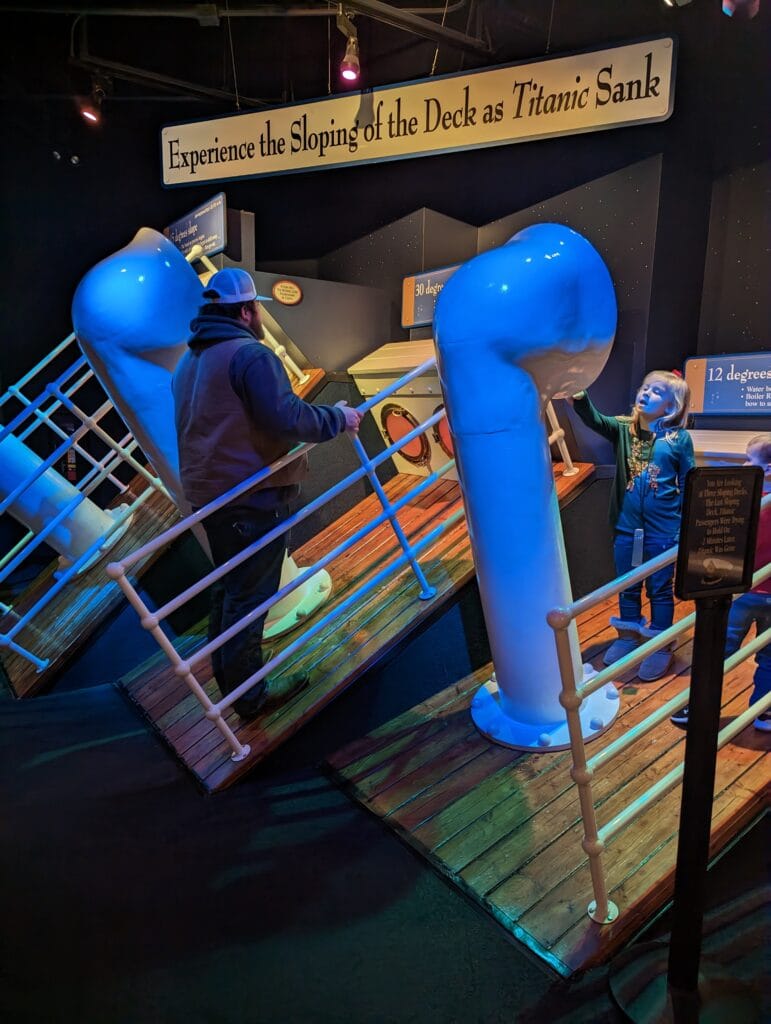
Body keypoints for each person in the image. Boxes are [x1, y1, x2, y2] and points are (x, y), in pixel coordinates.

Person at [172, 267, 362, 720]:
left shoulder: (188, 363)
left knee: (230, 591)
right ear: (244, 311)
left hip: (210, 499)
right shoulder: (249, 355)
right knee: (247, 598)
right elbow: (287, 417)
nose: (259, 317)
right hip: (249, 498)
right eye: (256, 308)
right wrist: (338, 417)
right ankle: (249, 699)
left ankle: (234, 685)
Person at [571, 370, 694, 680]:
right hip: (627, 527)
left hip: (664, 531)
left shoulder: (679, 439)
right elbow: (594, 419)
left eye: (655, 392)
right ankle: (628, 637)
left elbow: (690, 482)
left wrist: (682, 528)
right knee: (627, 584)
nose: (645, 393)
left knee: (660, 589)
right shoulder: (624, 429)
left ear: (671, 406)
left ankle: (660, 645)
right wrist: (578, 394)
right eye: (645, 387)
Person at [672, 433, 771, 732]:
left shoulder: (748, 503)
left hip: (744, 591)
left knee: (717, 649)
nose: (743, 463)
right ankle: (764, 711)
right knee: (769, 658)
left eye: (748, 459)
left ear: (765, 470)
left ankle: (700, 705)